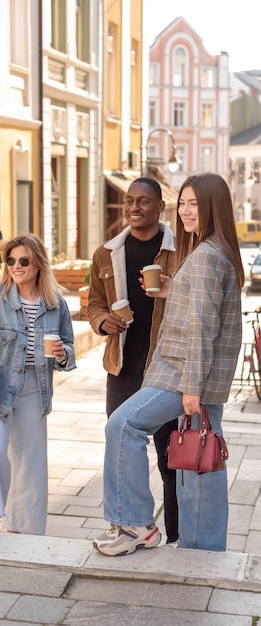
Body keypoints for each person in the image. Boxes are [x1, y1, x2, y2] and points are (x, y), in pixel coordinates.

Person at [93, 172, 244, 556]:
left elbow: (203, 326)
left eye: (194, 204)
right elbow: (201, 307)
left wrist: (192, 385)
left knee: (123, 425)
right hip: (194, 375)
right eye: (184, 203)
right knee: (198, 460)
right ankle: (201, 548)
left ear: (213, 207)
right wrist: (169, 289)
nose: (186, 211)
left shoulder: (207, 255)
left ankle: (133, 524)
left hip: (183, 374)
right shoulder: (212, 249)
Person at [87, 177, 179, 544]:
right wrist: (101, 321)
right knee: (121, 445)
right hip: (122, 367)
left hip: (166, 367)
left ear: (160, 207)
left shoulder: (179, 250)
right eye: (129, 201)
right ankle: (129, 523)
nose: (134, 208)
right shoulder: (106, 253)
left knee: (172, 459)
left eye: (143, 201)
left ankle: (178, 536)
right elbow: (93, 302)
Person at [0, 233, 76, 534]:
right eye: (10, 260)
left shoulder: (56, 305)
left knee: (31, 464)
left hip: (34, 388)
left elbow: (68, 350)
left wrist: (63, 353)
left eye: (24, 260)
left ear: (39, 263)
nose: (16, 266)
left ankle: (23, 532)